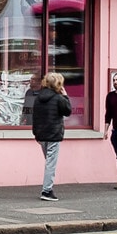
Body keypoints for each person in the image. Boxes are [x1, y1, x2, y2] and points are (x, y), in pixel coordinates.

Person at [30, 71, 73, 202]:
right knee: (51, 163)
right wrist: (65, 96)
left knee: (48, 162)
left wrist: (36, 134)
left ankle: (48, 189)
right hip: (53, 134)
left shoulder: (38, 97)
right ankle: (47, 191)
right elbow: (68, 111)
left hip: (42, 135)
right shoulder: (59, 98)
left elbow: (35, 117)